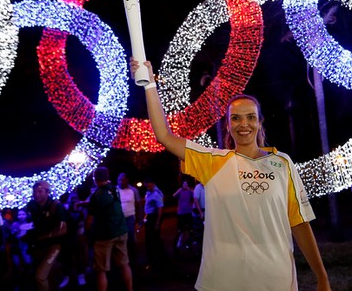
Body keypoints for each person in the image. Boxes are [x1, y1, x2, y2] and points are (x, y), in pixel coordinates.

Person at [131, 58, 330, 291]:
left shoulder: (282, 163)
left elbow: (299, 223)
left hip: (277, 281)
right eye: (235, 118)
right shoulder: (212, 162)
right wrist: (149, 85)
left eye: (250, 117)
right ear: (227, 124)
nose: (243, 124)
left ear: (259, 122)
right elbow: (164, 135)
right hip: (222, 282)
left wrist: (322, 277)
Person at [85, 166, 133, 291]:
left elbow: (89, 219)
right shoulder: (115, 189)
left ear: (95, 179)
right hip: (121, 231)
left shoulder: (96, 195)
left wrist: (87, 232)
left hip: (105, 236)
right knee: (124, 264)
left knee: (101, 270)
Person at [23, 180, 69, 291]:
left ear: (47, 192)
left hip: (53, 246)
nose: (36, 194)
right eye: (34, 191)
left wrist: (44, 236)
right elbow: (28, 221)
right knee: (46, 275)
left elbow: (63, 230)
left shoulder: (56, 206)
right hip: (38, 246)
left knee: (40, 277)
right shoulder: (32, 206)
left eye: (40, 191)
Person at [116, 172, 142, 266]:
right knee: (120, 240)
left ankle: (133, 260)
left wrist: (140, 218)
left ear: (127, 180)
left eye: (122, 179)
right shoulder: (115, 190)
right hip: (119, 219)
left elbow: (139, 205)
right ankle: (122, 260)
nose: (120, 182)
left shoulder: (133, 190)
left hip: (130, 218)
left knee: (130, 239)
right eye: (119, 180)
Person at [142, 176, 167, 270]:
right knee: (151, 240)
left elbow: (160, 209)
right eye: (146, 186)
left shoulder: (157, 194)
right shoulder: (149, 192)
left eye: (148, 185)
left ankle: (158, 261)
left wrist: (157, 222)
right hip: (149, 217)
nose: (147, 187)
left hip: (154, 217)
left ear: (152, 183)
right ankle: (156, 260)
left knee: (153, 239)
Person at [173, 178, 195, 249]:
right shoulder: (180, 191)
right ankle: (179, 242)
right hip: (181, 212)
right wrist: (179, 190)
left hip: (188, 211)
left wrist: (189, 189)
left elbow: (195, 195)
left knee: (191, 228)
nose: (185, 185)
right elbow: (174, 195)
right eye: (184, 183)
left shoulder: (189, 191)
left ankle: (192, 241)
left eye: (186, 184)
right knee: (180, 229)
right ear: (182, 184)